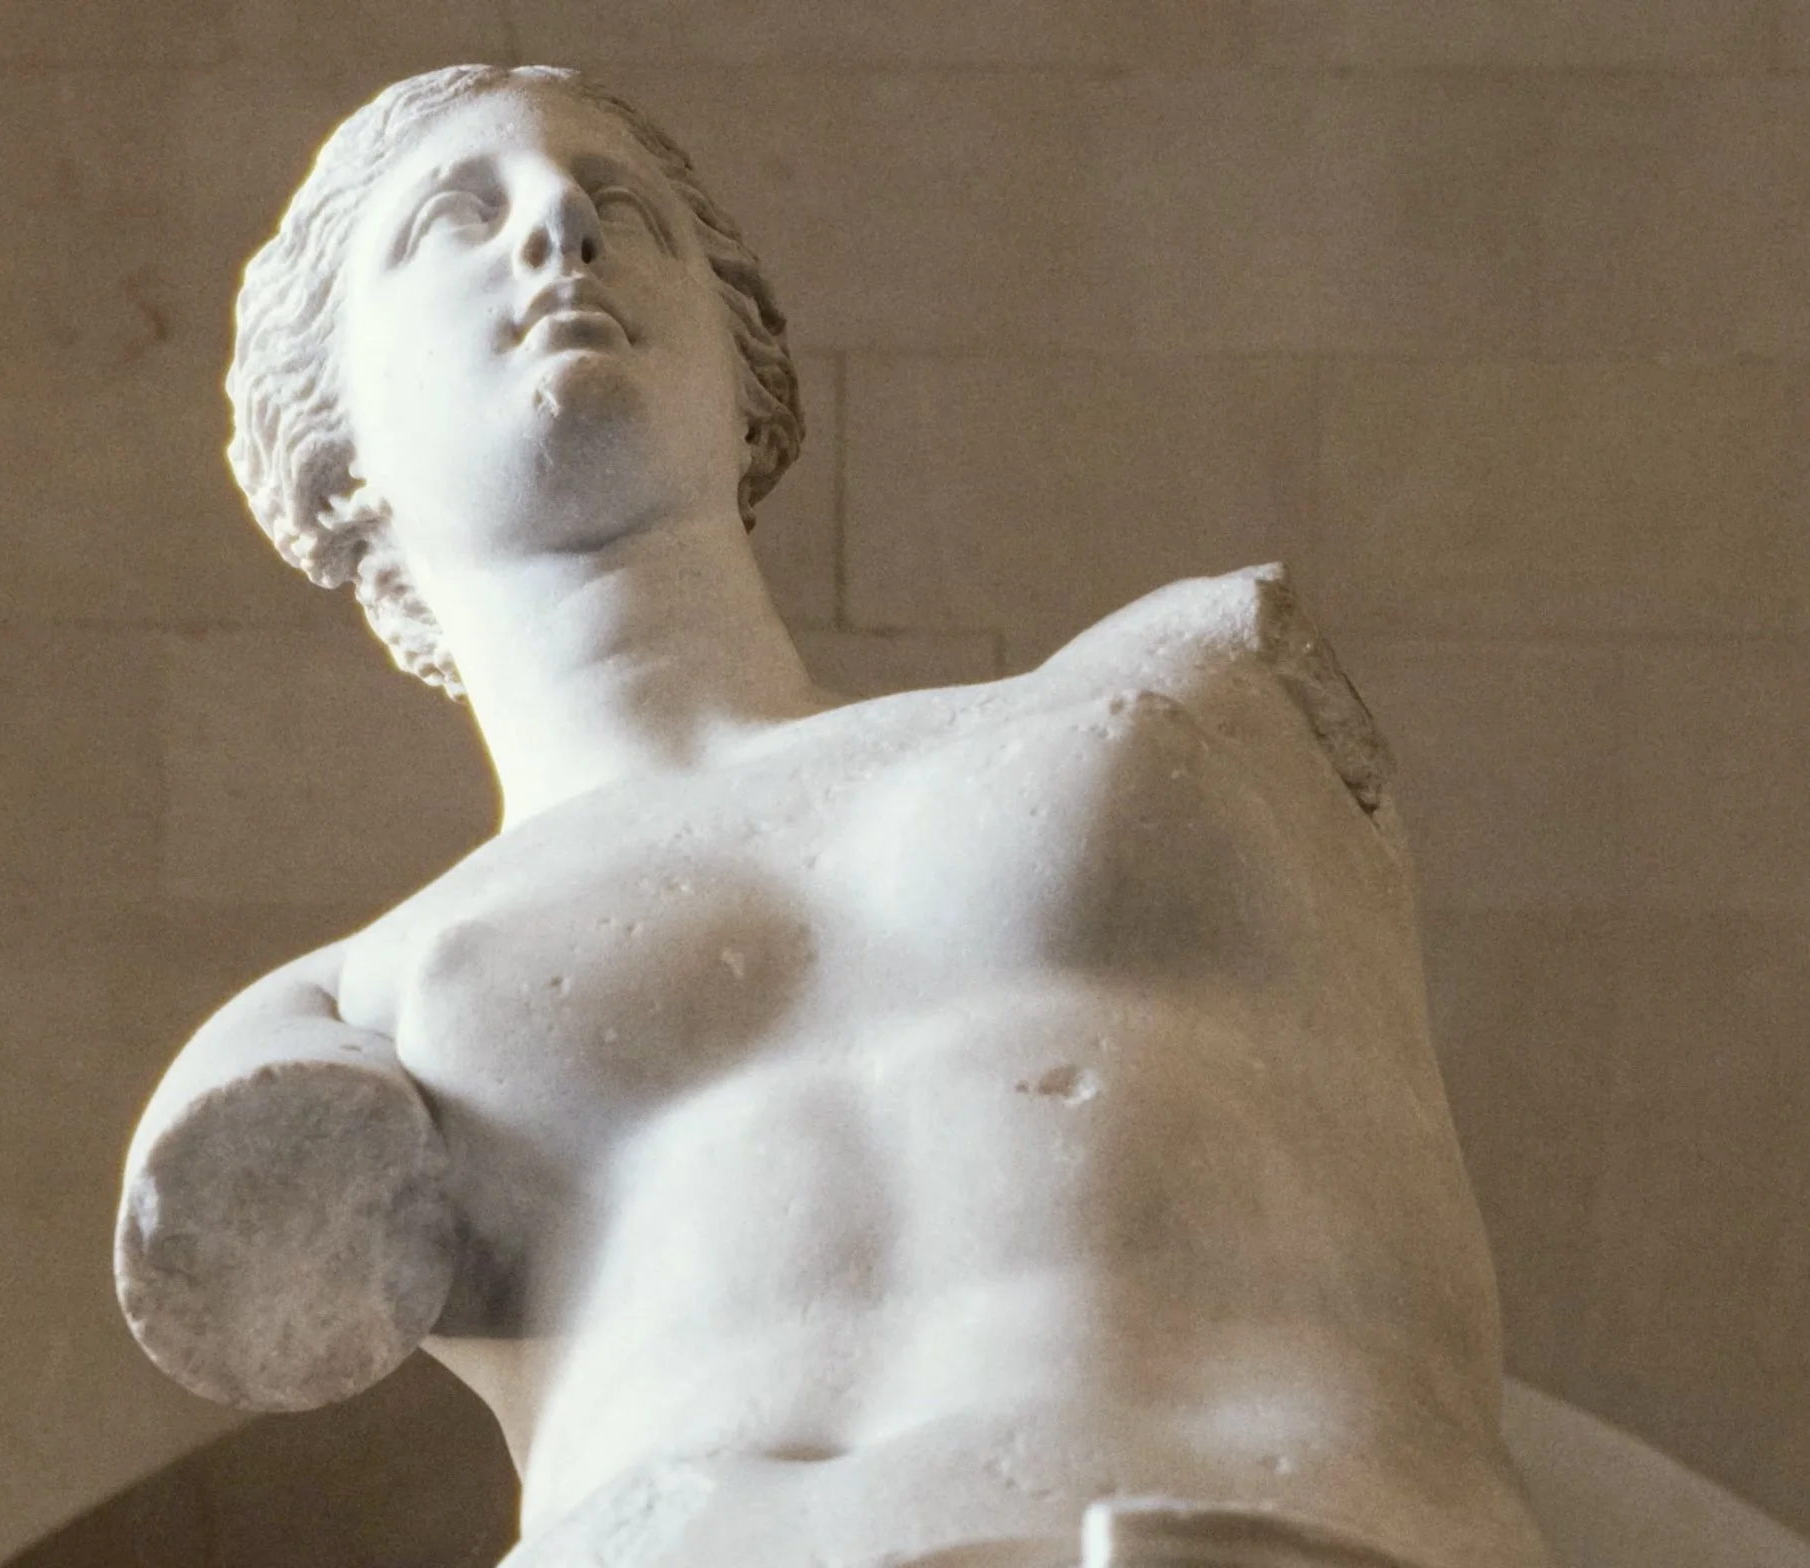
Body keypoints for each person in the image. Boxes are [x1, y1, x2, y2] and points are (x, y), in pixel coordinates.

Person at [117, 65, 1554, 1568]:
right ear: (334, 454)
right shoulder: (335, 1005)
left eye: (625, 209)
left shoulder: (1189, 673)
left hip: (1259, 1529)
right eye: (454, 220)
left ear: (753, 382)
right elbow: (244, 1261)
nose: (557, 227)